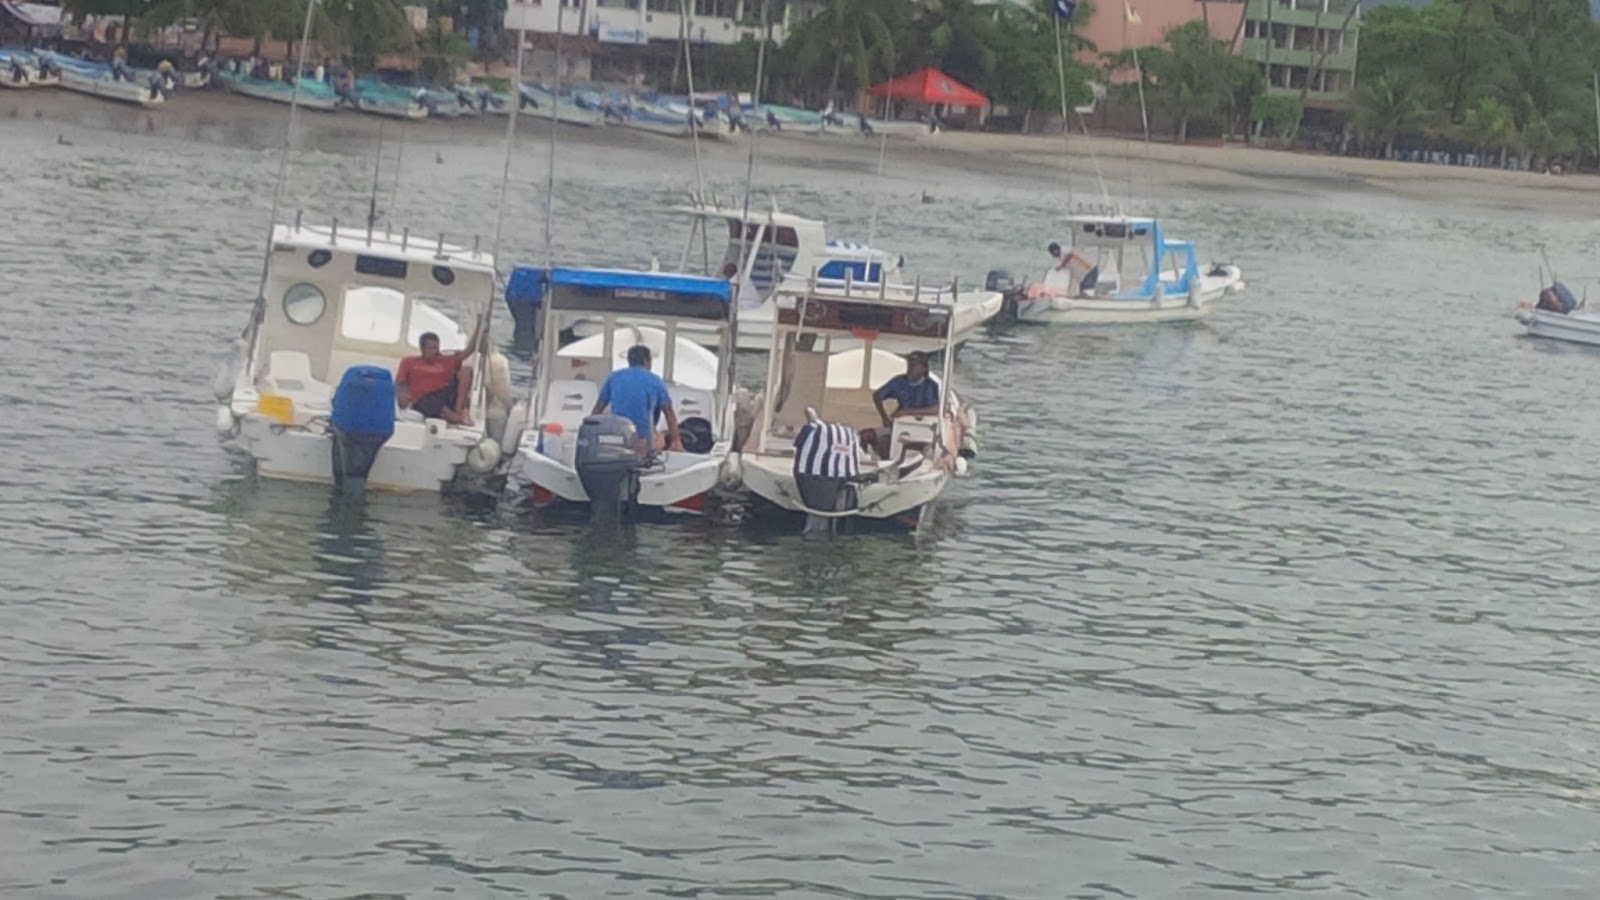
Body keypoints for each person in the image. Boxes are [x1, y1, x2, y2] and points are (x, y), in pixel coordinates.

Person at [592, 345, 684, 454]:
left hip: (618, 437)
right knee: (660, 439)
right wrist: (676, 441)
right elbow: (669, 413)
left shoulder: (613, 378)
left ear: (629, 361)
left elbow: (597, 410)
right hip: (644, 439)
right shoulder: (656, 381)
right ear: (647, 361)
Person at [396, 318, 483, 425]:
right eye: (431, 348)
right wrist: (403, 399)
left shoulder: (446, 360)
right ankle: (456, 418)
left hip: (444, 394)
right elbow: (401, 383)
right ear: (422, 349)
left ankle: (458, 410)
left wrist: (479, 327)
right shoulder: (409, 362)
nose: (435, 351)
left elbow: (469, 350)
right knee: (431, 402)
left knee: (466, 371)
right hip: (423, 399)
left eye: (436, 348)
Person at [861, 351, 940, 457]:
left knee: (886, 442)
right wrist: (884, 417)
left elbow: (935, 409)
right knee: (865, 435)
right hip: (897, 425)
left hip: (920, 429)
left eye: (915, 365)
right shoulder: (899, 381)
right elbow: (877, 395)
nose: (910, 368)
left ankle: (889, 466)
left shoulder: (931, 386)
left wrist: (907, 412)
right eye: (909, 364)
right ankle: (861, 463)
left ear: (924, 369)